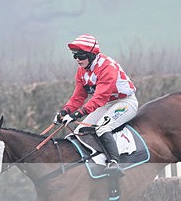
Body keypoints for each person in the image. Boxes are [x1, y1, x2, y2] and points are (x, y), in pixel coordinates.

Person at [54, 34, 138, 176]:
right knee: (80, 130)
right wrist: (64, 112)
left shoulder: (107, 67)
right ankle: (93, 162)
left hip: (125, 102)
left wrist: (76, 114)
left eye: (80, 56)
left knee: (102, 127)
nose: (77, 60)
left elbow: (99, 98)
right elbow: (78, 96)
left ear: (92, 55)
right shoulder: (82, 70)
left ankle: (114, 162)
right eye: (75, 56)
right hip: (106, 104)